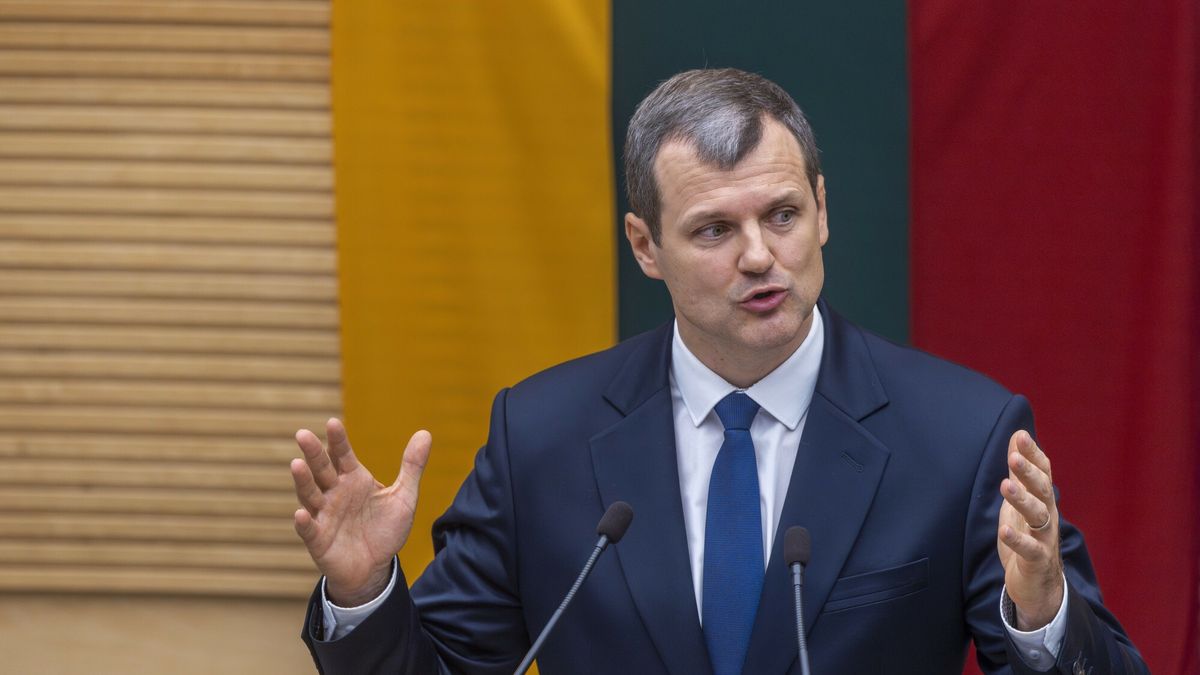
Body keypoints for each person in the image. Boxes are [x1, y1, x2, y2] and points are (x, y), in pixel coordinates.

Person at [291, 68, 1146, 674]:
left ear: (823, 210)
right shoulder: (541, 438)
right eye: (712, 230)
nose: (759, 256)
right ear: (644, 245)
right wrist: (365, 591)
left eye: (782, 214)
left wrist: (1041, 612)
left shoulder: (962, 436)